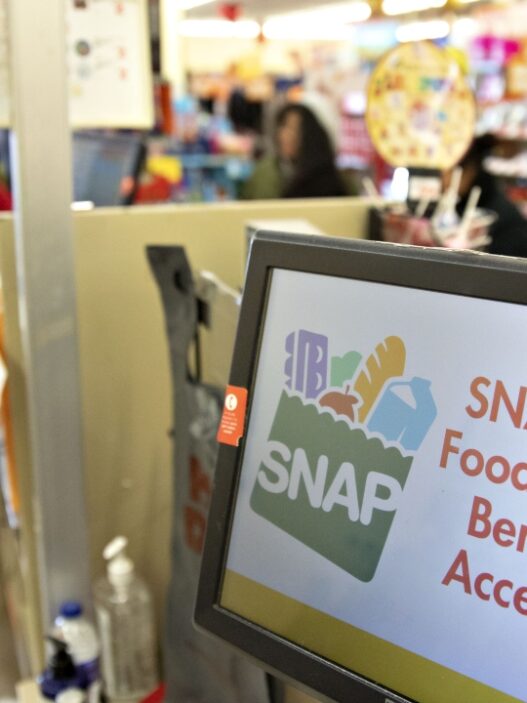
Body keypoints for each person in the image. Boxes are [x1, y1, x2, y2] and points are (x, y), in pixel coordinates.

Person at [241, 102, 348, 200]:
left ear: (312, 134)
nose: (284, 135)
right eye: (283, 126)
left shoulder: (333, 177)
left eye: (294, 129)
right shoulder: (267, 172)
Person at [452, 134, 527, 258]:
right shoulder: (464, 201)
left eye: (448, 173)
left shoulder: (494, 215)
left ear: (470, 170)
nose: (443, 182)